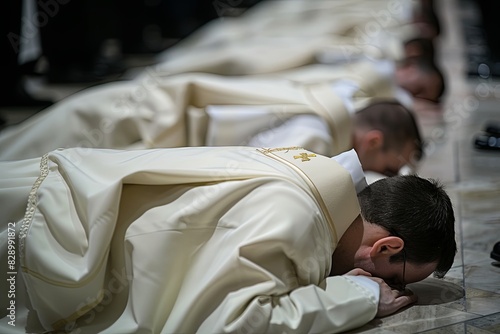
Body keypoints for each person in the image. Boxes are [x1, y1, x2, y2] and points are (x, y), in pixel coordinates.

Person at [0, 146, 457, 333]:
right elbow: (233, 323)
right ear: (385, 248)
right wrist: (359, 294)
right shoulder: (296, 217)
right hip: (28, 255)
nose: (392, 288)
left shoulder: (310, 175)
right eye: (397, 279)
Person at [0, 63, 423, 176]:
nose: (380, 173)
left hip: (148, 105)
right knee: (19, 158)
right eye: (386, 165)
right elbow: (247, 169)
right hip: (141, 123)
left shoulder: (331, 103)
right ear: (370, 141)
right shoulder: (313, 134)